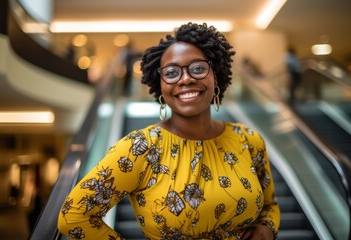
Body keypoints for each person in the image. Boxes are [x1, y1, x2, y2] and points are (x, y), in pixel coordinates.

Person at [58, 22, 280, 240]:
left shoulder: (247, 140)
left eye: (198, 68)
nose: (186, 79)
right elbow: (74, 216)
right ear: (160, 86)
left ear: (216, 76)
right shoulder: (139, 148)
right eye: (172, 72)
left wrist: (267, 228)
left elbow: (270, 205)